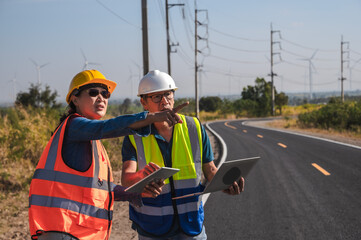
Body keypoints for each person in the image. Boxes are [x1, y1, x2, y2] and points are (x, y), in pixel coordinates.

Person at [28, 69, 188, 240]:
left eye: (105, 94)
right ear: (75, 99)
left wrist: (133, 192)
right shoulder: (74, 126)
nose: (101, 98)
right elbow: (107, 126)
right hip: (63, 230)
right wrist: (151, 118)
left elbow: (99, 189)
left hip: (77, 231)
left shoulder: (92, 140)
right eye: (93, 92)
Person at [121, 70, 245, 240]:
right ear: (144, 102)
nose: (164, 101)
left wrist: (225, 183)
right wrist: (141, 180)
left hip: (191, 225)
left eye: (168, 94)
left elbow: (210, 170)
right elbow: (126, 179)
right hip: (152, 228)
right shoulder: (134, 136)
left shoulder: (194, 127)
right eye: (156, 97)